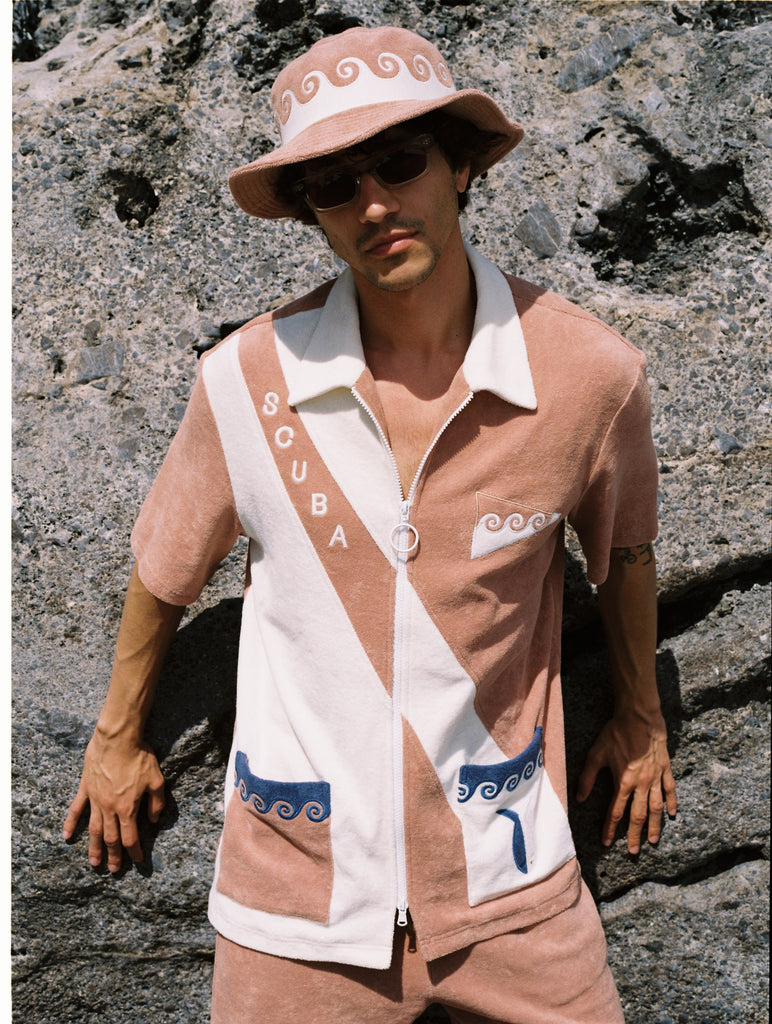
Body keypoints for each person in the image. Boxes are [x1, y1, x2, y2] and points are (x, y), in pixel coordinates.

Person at [63, 25, 678, 1024]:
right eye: (335, 185)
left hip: (513, 889)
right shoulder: (245, 380)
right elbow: (166, 564)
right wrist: (116, 737)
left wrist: (643, 723)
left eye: (400, 163)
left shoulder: (589, 374)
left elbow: (628, 554)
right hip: (295, 905)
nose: (375, 204)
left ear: (461, 164)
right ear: (310, 211)